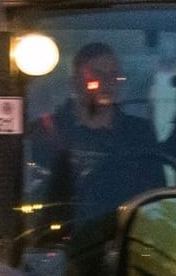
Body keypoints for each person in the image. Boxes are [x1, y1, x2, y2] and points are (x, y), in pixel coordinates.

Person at [28, 42, 165, 226]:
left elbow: (156, 196)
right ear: (75, 81)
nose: (106, 83)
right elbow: (33, 193)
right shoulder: (46, 132)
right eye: (97, 74)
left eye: (113, 76)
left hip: (124, 234)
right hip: (61, 238)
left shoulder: (139, 134)